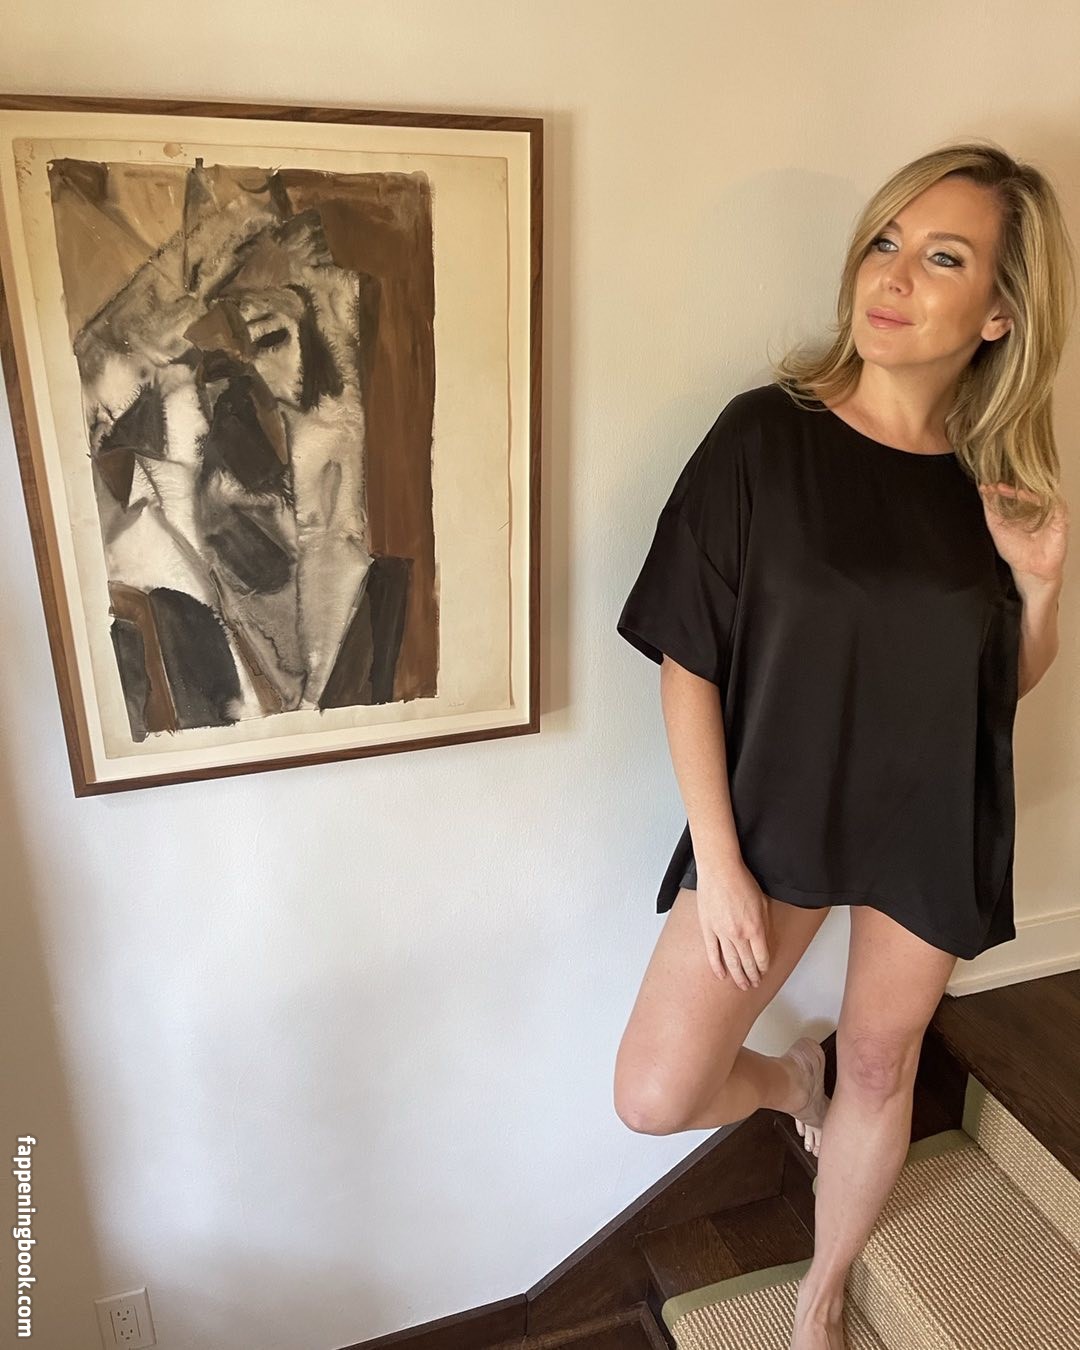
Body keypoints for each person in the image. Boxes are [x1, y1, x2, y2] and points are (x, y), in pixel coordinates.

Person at [612, 141, 1073, 1350]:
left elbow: (992, 692)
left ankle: (822, 1296)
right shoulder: (766, 436)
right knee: (655, 1092)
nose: (895, 276)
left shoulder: (994, 481)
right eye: (885, 242)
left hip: (929, 812)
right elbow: (688, 658)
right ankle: (788, 1084)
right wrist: (719, 861)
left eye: (943, 258)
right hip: (776, 815)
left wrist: (1039, 591)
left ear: (1000, 313)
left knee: (882, 1063)